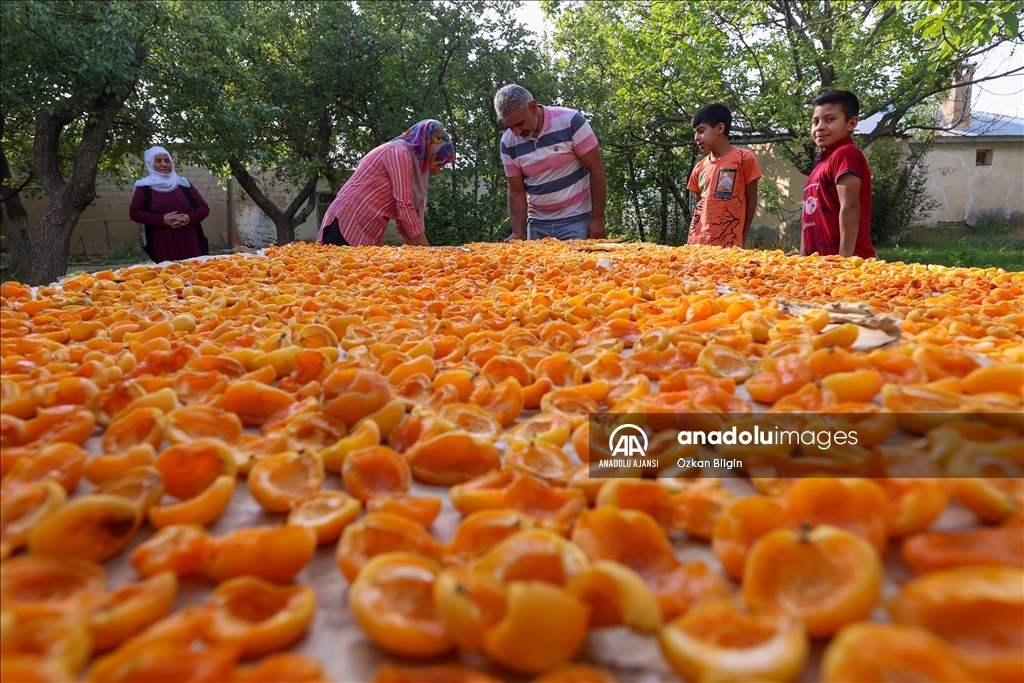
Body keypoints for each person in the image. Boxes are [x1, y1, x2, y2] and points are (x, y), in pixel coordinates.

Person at [315, 119, 454, 248]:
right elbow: (404, 206)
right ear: (430, 151)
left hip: (365, 231)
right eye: (439, 163)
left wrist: (420, 252)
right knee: (338, 273)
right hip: (347, 224)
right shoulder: (398, 153)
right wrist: (429, 253)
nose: (436, 171)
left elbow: (403, 220)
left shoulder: (408, 161)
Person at [495, 84, 606, 241]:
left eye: (520, 123)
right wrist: (517, 233)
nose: (517, 132)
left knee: (578, 265)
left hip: (577, 220)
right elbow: (517, 191)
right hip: (538, 225)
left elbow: (596, 170)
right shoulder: (507, 143)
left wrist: (597, 218)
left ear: (533, 107)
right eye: (510, 126)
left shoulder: (571, 121)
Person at [801, 90, 877, 259]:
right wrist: (803, 258)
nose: (820, 127)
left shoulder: (845, 154)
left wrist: (844, 261)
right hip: (820, 265)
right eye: (815, 121)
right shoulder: (820, 164)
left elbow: (850, 206)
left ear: (851, 123)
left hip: (847, 266)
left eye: (829, 120)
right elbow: (808, 217)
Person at [686, 103, 762, 248]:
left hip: (729, 245)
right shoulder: (699, 168)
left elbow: (751, 199)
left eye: (701, 131)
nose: (696, 137)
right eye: (695, 132)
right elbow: (701, 205)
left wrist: (742, 236)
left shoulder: (744, 158)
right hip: (697, 243)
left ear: (720, 128)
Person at [129, 146, 210, 263]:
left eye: (167, 161)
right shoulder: (144, 187)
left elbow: (203, 208)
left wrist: (189, 218)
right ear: (150, 164)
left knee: (196, 274)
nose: (164, 164)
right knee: (170, 277)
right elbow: (135, 213)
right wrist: (162, 220)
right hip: (162, 243)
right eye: (158, 161)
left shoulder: (183, 184)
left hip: (191, 241)